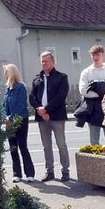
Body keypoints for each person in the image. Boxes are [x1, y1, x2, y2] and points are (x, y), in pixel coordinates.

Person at [30, 51, 70, 182]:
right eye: (42, 61)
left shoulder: (61, 77)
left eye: (46, 61)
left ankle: (65, 170)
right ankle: (50, 171)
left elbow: (60, 97)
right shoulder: (37, 78)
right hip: (42, 118)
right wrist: (39, 109)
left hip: (57, 116)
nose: (44, 63)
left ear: (53, 62)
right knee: (46, 146)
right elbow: (32, 96)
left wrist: (47, 110)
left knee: (61, 144)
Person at [2, 63, 35, 183]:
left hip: (20, 120)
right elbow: (3, 105)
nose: (4, 75)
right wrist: (5, 117)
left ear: (11, 73)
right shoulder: (7, 89)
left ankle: (29, 173)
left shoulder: (20, 87)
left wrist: (11, 118)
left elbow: (21, 105)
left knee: (22, 146)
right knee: (13, 147)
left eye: (6, 72)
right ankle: (17, 173)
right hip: (9, 122)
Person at [78, 45, 105, 146]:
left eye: (98, 55)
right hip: (92, 108)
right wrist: (101, 93)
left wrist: (94, 88)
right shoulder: (86, 72)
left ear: (103, 55)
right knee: (94, 140)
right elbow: (83, 90)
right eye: (93, 55)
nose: (95, 57)